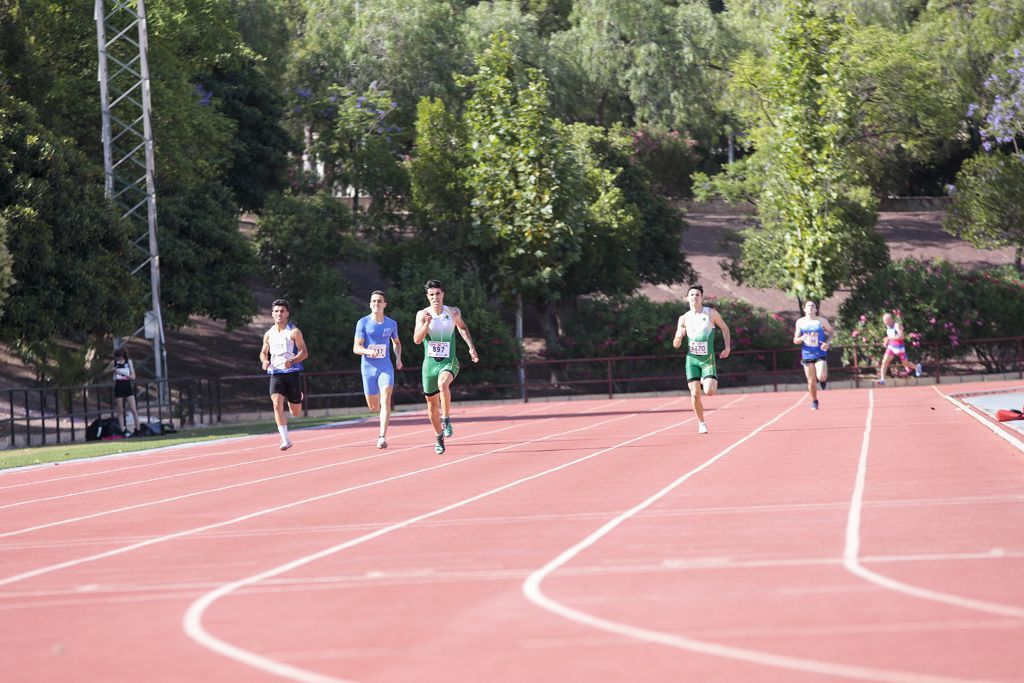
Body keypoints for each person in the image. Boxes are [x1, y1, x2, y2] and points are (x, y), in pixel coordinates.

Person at [412, 279, 479, 454]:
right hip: (430, 366)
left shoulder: (453, 312)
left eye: (438, 294)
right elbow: (417, 340)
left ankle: (446, 418)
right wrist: (426, 324)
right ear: (428, 297)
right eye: (432, 295)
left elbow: (462, 328)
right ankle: (438, 436)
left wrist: (471, 347)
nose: (435, 297)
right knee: (431, 406)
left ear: (443, 294)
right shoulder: (422, 314)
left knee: (443, 384)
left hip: (449, 361)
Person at [673, 284, 731, 434]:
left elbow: (725, 328)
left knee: (709, 391)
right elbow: (676, 345)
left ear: (702, 297)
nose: (694, 297)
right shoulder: (683, 318)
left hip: (707, 360)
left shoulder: (711, 313)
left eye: (697, 295)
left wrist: (727, 347)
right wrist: (679, 337)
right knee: (694, 393)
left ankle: (707, 380)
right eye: (691, 295)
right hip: (692, 360)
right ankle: (701, 422)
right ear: (687, 298)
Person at [353, 290, 403, 449]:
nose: (376, 304)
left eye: (379, 301)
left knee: (386, 396)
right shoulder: (363, 323)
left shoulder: (391, 324)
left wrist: (398, 358)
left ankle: (382, 436)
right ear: (370, 304)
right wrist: (369, 351)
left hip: (385, 366)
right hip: (368, 368)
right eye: (373, 301)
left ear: (384, 304)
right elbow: (356, 347)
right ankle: (378, 413)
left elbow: (397, 342)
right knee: (374, 407)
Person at [259, 299, 308, 451]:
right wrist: (264, 361)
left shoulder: (294, 332)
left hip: (291, 373)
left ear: (287, 313)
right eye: (276, 311)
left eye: (282, 311)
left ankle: (297, 396)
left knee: (296, 412)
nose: (279, 314)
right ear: (272, 314)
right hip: (276, 373)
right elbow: (263, 352)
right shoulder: (268, 334)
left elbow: (304, 353)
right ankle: (285, 439)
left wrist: (292, 361)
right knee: (276, 404)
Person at [794, 300, 834, 411]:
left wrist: (827, 343)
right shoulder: (800, 322)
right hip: (807, 354)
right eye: (808, 306)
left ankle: (823, 380)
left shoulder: (822, 321)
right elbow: (795, 340)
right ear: (804, 309)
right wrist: (801, 338)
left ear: (816, 309)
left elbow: (831, 332)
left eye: (813, 306)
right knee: (811, 382)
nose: (811, 307)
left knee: (821, 375)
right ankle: (814, 401)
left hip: (820, 352)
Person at [877, 312, 922, 385]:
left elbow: (901, 336)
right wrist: (886, 341)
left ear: (890, 319)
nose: (885, 322)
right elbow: (891, 336)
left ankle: (917, 367)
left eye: (886, 320)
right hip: (891, 347)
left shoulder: (896, 325)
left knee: (906, 364)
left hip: (899, 347)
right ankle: (882, 379)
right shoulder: (888, 326)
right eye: (884, 321)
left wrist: (889, 338)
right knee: (884, 361)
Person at [111, 347, 141, 435]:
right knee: (120, 410)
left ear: (122, 356)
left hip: (127, 386)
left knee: (133, 409)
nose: (117, 359)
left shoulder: (129, 362)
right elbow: (106, 371)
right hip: (118, 386)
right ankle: (123, 429)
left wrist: (122, 373)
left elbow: (133, 377)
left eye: (118, 357)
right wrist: (112, 370)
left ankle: (138, 429)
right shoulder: (114, 362)